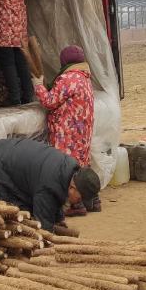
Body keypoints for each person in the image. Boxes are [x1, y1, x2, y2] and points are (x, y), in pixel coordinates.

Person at [0, 137, 101, 234]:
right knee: (13, 215)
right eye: (80, 198)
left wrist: (59, 221)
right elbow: (44, 226)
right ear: (73, 187)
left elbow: (55, 199)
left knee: (27, 209)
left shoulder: (69, 169)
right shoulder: (49, 184)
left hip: (1, 154)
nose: (80, 203)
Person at [33, 45, 96, 215]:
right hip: (82, 134)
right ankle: (92, 200)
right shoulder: (84, 78)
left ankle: (76, 206)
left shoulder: (68, 78)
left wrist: (38, 86)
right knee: (79, 166)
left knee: (65, 169)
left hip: (67, 134)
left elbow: (49, 101)